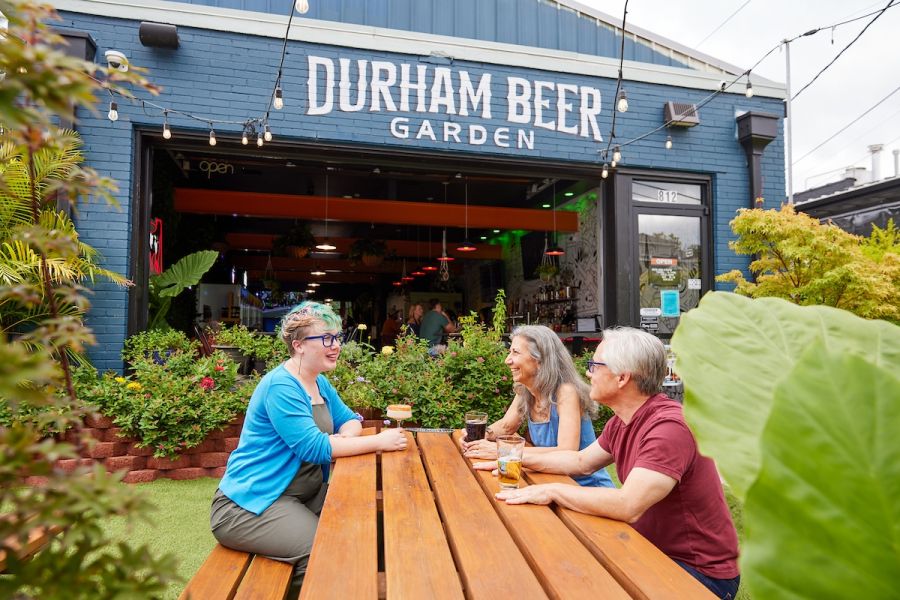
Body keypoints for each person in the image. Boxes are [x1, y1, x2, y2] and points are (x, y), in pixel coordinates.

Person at [476, 327, 740, 599]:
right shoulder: (622, 421)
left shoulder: (668, 427)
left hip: (697, 573)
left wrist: (553, 490)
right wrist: (509, 455)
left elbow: (628, 505)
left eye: (594, 365)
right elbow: (580, 461)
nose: (588, 372)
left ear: (622, 377)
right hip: (648, 548)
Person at [210, 301, 407, 594]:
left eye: (337, 337)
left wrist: (342, 439)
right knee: (322, 551)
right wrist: (379, 441)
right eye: (326, 338)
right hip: (252, 503)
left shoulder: (319, 383)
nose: (336, 345)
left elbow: (350, 420)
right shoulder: (281, 386)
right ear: (299, 345)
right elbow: (313, 448)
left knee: (372, 519)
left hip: (303, 496)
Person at [460, 325, 613, 488]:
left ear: (540, 361)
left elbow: (567, 451)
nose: (507, 360)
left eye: (515, 352)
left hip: (585, 487)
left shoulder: (566, 392)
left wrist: (503, 451)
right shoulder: (526, 390)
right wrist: (480, 436)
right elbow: (505, 427)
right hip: (551, 482)